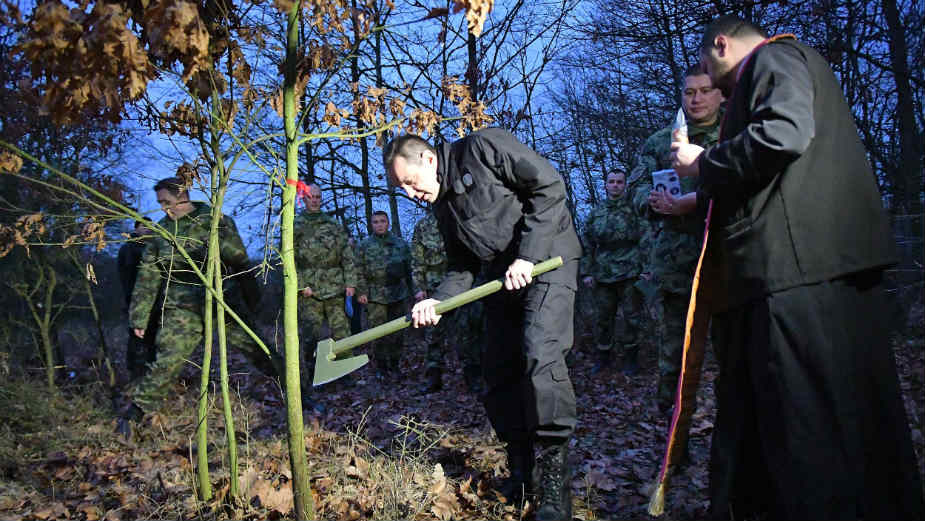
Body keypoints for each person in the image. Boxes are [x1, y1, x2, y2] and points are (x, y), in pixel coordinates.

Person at [670, 15, 923, 519]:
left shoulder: (772, 57)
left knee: (802, 427)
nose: (710, 83)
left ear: (721, 45)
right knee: (854, 421)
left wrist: (704, 163)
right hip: (826, 267)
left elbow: (783, 134)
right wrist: (700, 200)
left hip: (792, 277)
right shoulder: (806, 63)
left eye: (706, 67)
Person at [385, 129, 582, 521]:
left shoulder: (482, 148)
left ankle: (555, 479)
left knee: (540, 353)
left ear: (427, 160)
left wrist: (528, 255)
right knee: (497, 372)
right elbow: (463, 266)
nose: (410, 194)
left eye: (410, 182)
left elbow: (549, 187)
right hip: (501, 278)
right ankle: (522, 470)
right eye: (401, 189)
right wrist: (439, 300)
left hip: (548, 259)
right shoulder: (442, 207)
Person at [123, 177, 283, 420]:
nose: (165, 208)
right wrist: (139, 318)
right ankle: (135, 413)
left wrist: (209, 247)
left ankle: (297, 393)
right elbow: (148, 276)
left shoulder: (215, 221)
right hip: (181, 306)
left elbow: (240, 257)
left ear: (183, 196)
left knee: (259, 349)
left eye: (168, 202)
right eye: (160, 204)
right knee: (168, 357)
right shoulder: (161, 234)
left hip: (221, 299)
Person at [630, 64, 724, 413]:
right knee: (676, 347)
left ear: (721, 93)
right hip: (675, 261)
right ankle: (670, 420)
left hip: (727, 254)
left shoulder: (733, 137)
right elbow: (636, 188)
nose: (696, 98)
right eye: (689, 92)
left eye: (704, 90)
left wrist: (692, 204)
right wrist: (654, 204)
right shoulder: (661, 141)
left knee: (733, 345)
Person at [579, 170, 647, 375]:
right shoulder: (596, 213)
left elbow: (645, 239)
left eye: (619, 182)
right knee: (603, 319)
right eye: (612, 182)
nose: (615, 185)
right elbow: (587, 244)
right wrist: (586, 272)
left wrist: (646, 269)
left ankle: (631, 359)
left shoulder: (634, 210)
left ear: (625, 185)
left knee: (632, 317)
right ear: (606, 185)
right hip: (603, 273)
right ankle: (603, 358)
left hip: (630, 272)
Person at [292, 183, 358, 385]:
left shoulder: (333, 224)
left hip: (335, 287)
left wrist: (351, 283)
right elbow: (288, 259)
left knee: (342, 333)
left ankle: (345, 372)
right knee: (310, 334)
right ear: (304, 198)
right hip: (309, 291)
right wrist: (301, 285)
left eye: (318, 197)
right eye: (311, 197)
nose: (315, 200)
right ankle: (311, 375)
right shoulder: (295, 225)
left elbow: (347, 254)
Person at [411, 210, 483, 394]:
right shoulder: (423, 226)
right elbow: (417, 260)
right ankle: (433, 379)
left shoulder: (458, 217)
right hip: (434, 287)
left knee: (466, 332)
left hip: (462, 285)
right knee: (433, 336)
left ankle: (473, 378)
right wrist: (419, 288)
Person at [356, 210, 413, 381]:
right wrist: (361, 291)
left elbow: (410, 270)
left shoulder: (401, 244)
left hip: (398, 293)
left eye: (382, 221)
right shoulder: (364, 246)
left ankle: (395, 366)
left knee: (398, 333)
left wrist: (415, 291)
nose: (379, 224)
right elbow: (358, 270)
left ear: (388, 223)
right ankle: (381, 369)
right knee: (378, 334)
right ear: (371, 225)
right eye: (375, 222)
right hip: (375, 296)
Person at [117, 216, 159, 382]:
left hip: (152, 302)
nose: (148, 229)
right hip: (137, 301)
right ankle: (137, 377)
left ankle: (147, 376)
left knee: (151, 340)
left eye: (151, 226)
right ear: (136, 228)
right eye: (145, 226)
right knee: (138, 339)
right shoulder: (130, 249)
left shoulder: (150, 247)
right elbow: (129, 278)